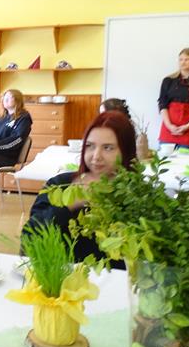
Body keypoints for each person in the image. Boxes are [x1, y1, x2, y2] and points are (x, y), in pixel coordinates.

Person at [25, 111, 137, 270]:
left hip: (115, 281)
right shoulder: (60, 185)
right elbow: (29, 235)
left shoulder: (136, 196)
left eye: (108, 148)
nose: (96, 156)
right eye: (90, 146)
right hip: (61, 277)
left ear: (125, 152)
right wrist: (69, 205)